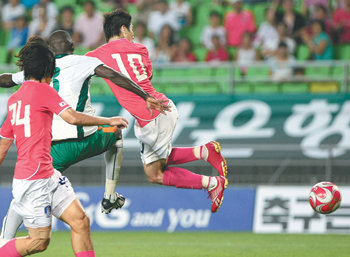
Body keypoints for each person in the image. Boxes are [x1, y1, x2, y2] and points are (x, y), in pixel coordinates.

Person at [0, 32, 169, 240]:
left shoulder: (33, 72)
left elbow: (7, 80)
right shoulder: (84, 61)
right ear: (73, 47)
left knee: (25, 194)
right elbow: (114, 76)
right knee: (115, 131)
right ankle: (109, 195)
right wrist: (145, 96)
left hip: (52, 149)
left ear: (50, 51)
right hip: (86, 139)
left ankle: (4, 240)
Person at [87, 9, 228, 213]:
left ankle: (212, 180)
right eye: (131, 28)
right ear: (123, 29)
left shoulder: (96, 55)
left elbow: (76, 67)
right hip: (158, 110)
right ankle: (205, 154)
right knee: (157, 167)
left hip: (153, 115)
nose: (133, 32)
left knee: (157, 171)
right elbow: (146, 78)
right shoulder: (141, 49)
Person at [0, 42, 128, 257]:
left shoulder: (14, 100)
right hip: (33, 179)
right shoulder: (43, 90)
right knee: (39, 241)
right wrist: (108, 120)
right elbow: (72, 117)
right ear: (46, 69)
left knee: (80, 221)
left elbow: (3, 145)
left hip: (46, 174)